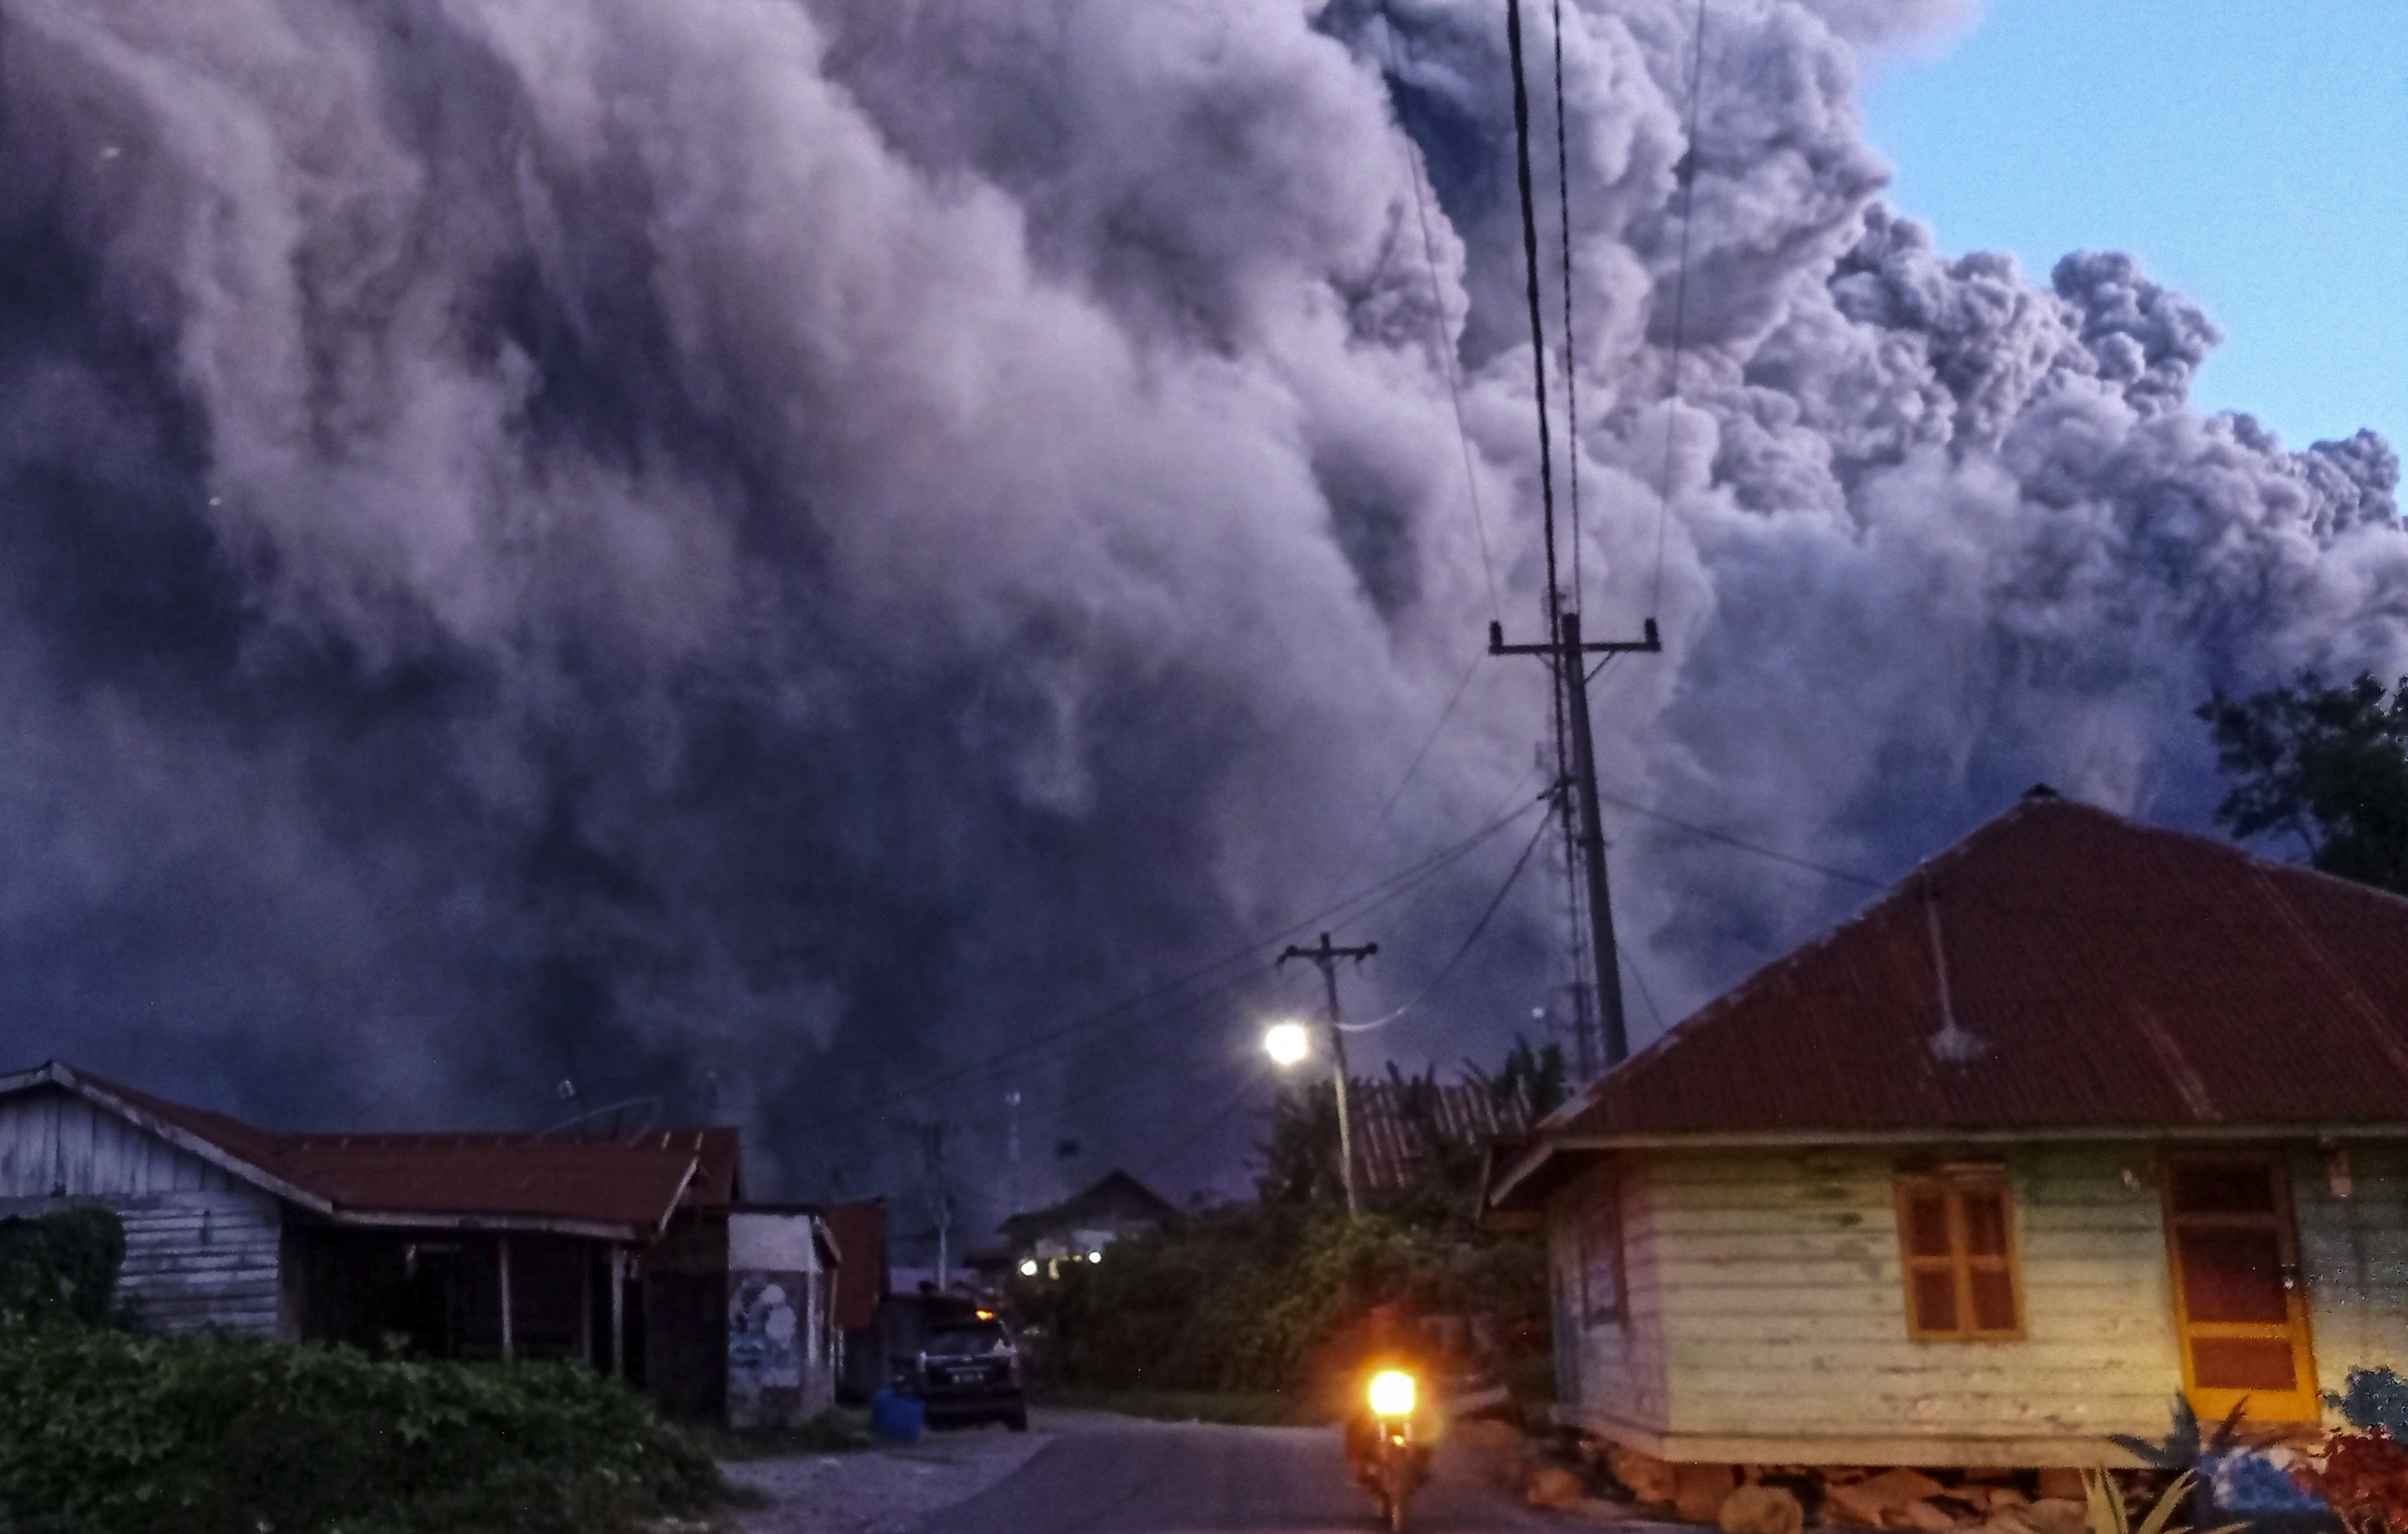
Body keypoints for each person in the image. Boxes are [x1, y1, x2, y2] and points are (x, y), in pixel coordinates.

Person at [1339, 1303, 1437, 1500]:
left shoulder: (1411, 1339)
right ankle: (1358, 1463)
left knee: (1427, 1419)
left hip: (1403, 1388)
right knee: (1355, 1416)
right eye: (1381, 1319)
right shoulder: (1362, 1338)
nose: (1386, 1323)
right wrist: (1352, 1375)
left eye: (1390, 1318)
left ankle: (1422, 1463)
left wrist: (1426, 1376)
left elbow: (1425, 1359)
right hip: (1373, 1387)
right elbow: (1349, 1358)